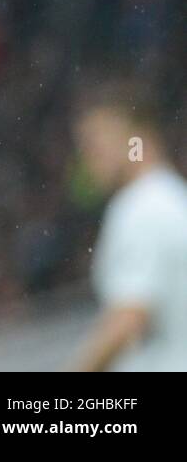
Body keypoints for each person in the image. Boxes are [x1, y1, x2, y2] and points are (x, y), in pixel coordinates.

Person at [72, 81, 187, 371]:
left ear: (139, 135)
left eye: (95, 144)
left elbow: (128, 318)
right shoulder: (172, 197)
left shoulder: (141, 207)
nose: (88, 159)